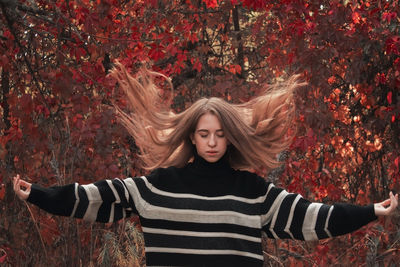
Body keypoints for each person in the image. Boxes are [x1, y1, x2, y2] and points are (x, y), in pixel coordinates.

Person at [13, 63, 398, 267]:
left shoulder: (253, 192)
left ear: (230, 136)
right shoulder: (158, 187)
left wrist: (369, 212)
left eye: (219, 134)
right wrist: (41, 195)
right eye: (203, 134)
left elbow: (313, 218)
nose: (212, 142)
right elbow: (95, 198)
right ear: (191, 137)